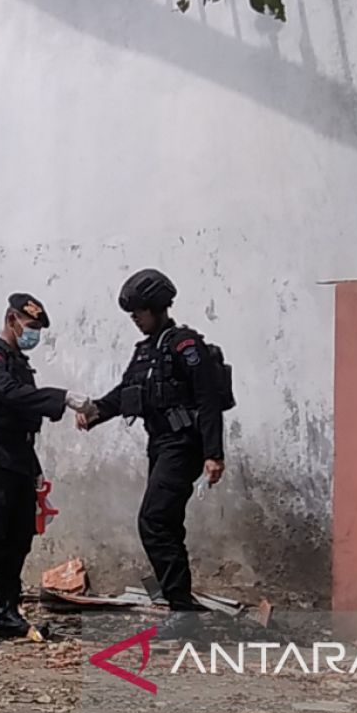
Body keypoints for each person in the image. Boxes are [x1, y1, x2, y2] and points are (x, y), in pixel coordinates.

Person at [78, 269, 226, 640]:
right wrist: (95, 411)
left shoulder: (185, 345)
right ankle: (181, 606)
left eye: (139, 312)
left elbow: (208, 400)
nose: (135, 319)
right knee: (166, 523)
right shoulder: (146, 352)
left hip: (184, 445)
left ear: (158, 308)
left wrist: (213, 453)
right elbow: (126, 392)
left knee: (153, 520)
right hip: (159, 445)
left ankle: (182, 609)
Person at [0, 293, 95, 645]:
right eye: (29, 326)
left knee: (17, 540)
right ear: (11, 319)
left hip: (16, 461)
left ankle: (6, 612)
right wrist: (63, 398)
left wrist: (35, 470)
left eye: (36, 329)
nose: (33, 334)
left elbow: (22, 425)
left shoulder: (18, 362)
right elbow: (14, 396)